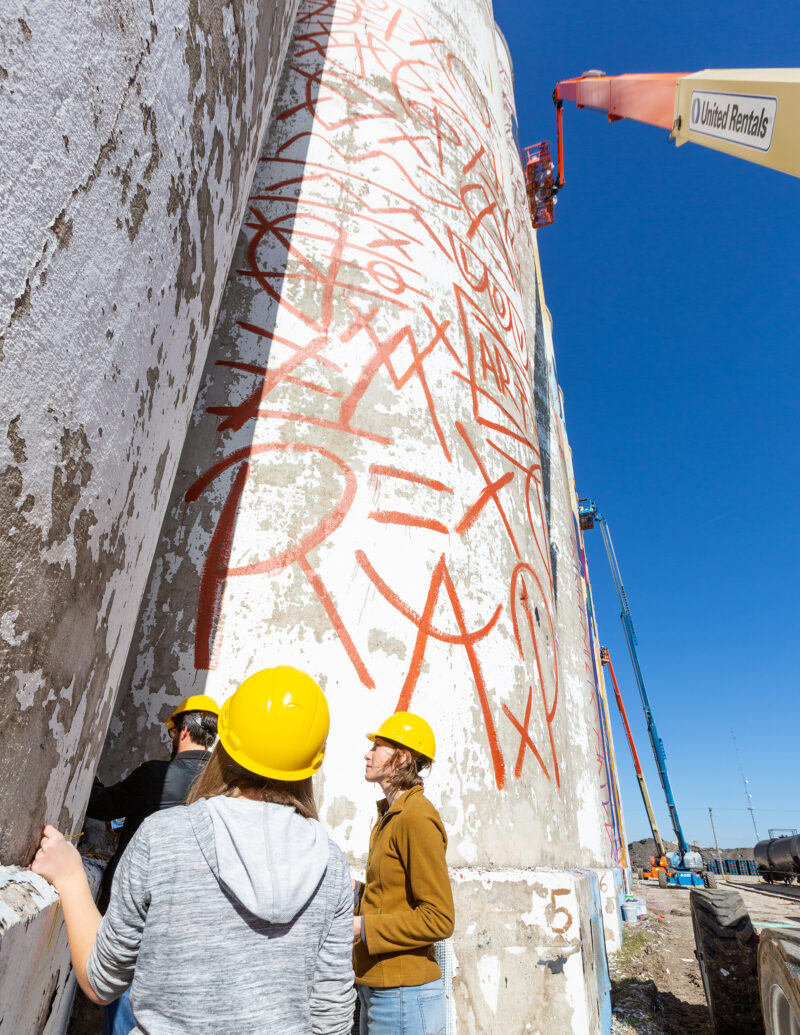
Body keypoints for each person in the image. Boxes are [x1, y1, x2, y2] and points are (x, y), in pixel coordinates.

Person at [32, 667, 356, 1035]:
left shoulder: (165, 836)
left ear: (228, 741)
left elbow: (100, 981)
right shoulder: (330, 865)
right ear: (313, 761)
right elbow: (332, 1020)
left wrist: (71, 875)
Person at [86, 694, 219, 1035]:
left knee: (123, 1011)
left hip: (139, 911)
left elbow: (102, 807)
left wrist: (92, 778)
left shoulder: (155, 775)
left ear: (183, 731)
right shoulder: (225, 788)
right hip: (193, 924)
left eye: (173, 731)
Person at [354, 712, 454, 1035]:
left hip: (403, 998)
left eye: (377, 747)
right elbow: (393, 897)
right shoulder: (391, 816)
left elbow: (439, 917)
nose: (367, 755)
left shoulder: (417, 817)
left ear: (402, 758)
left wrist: (364, 927)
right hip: (381, 991)